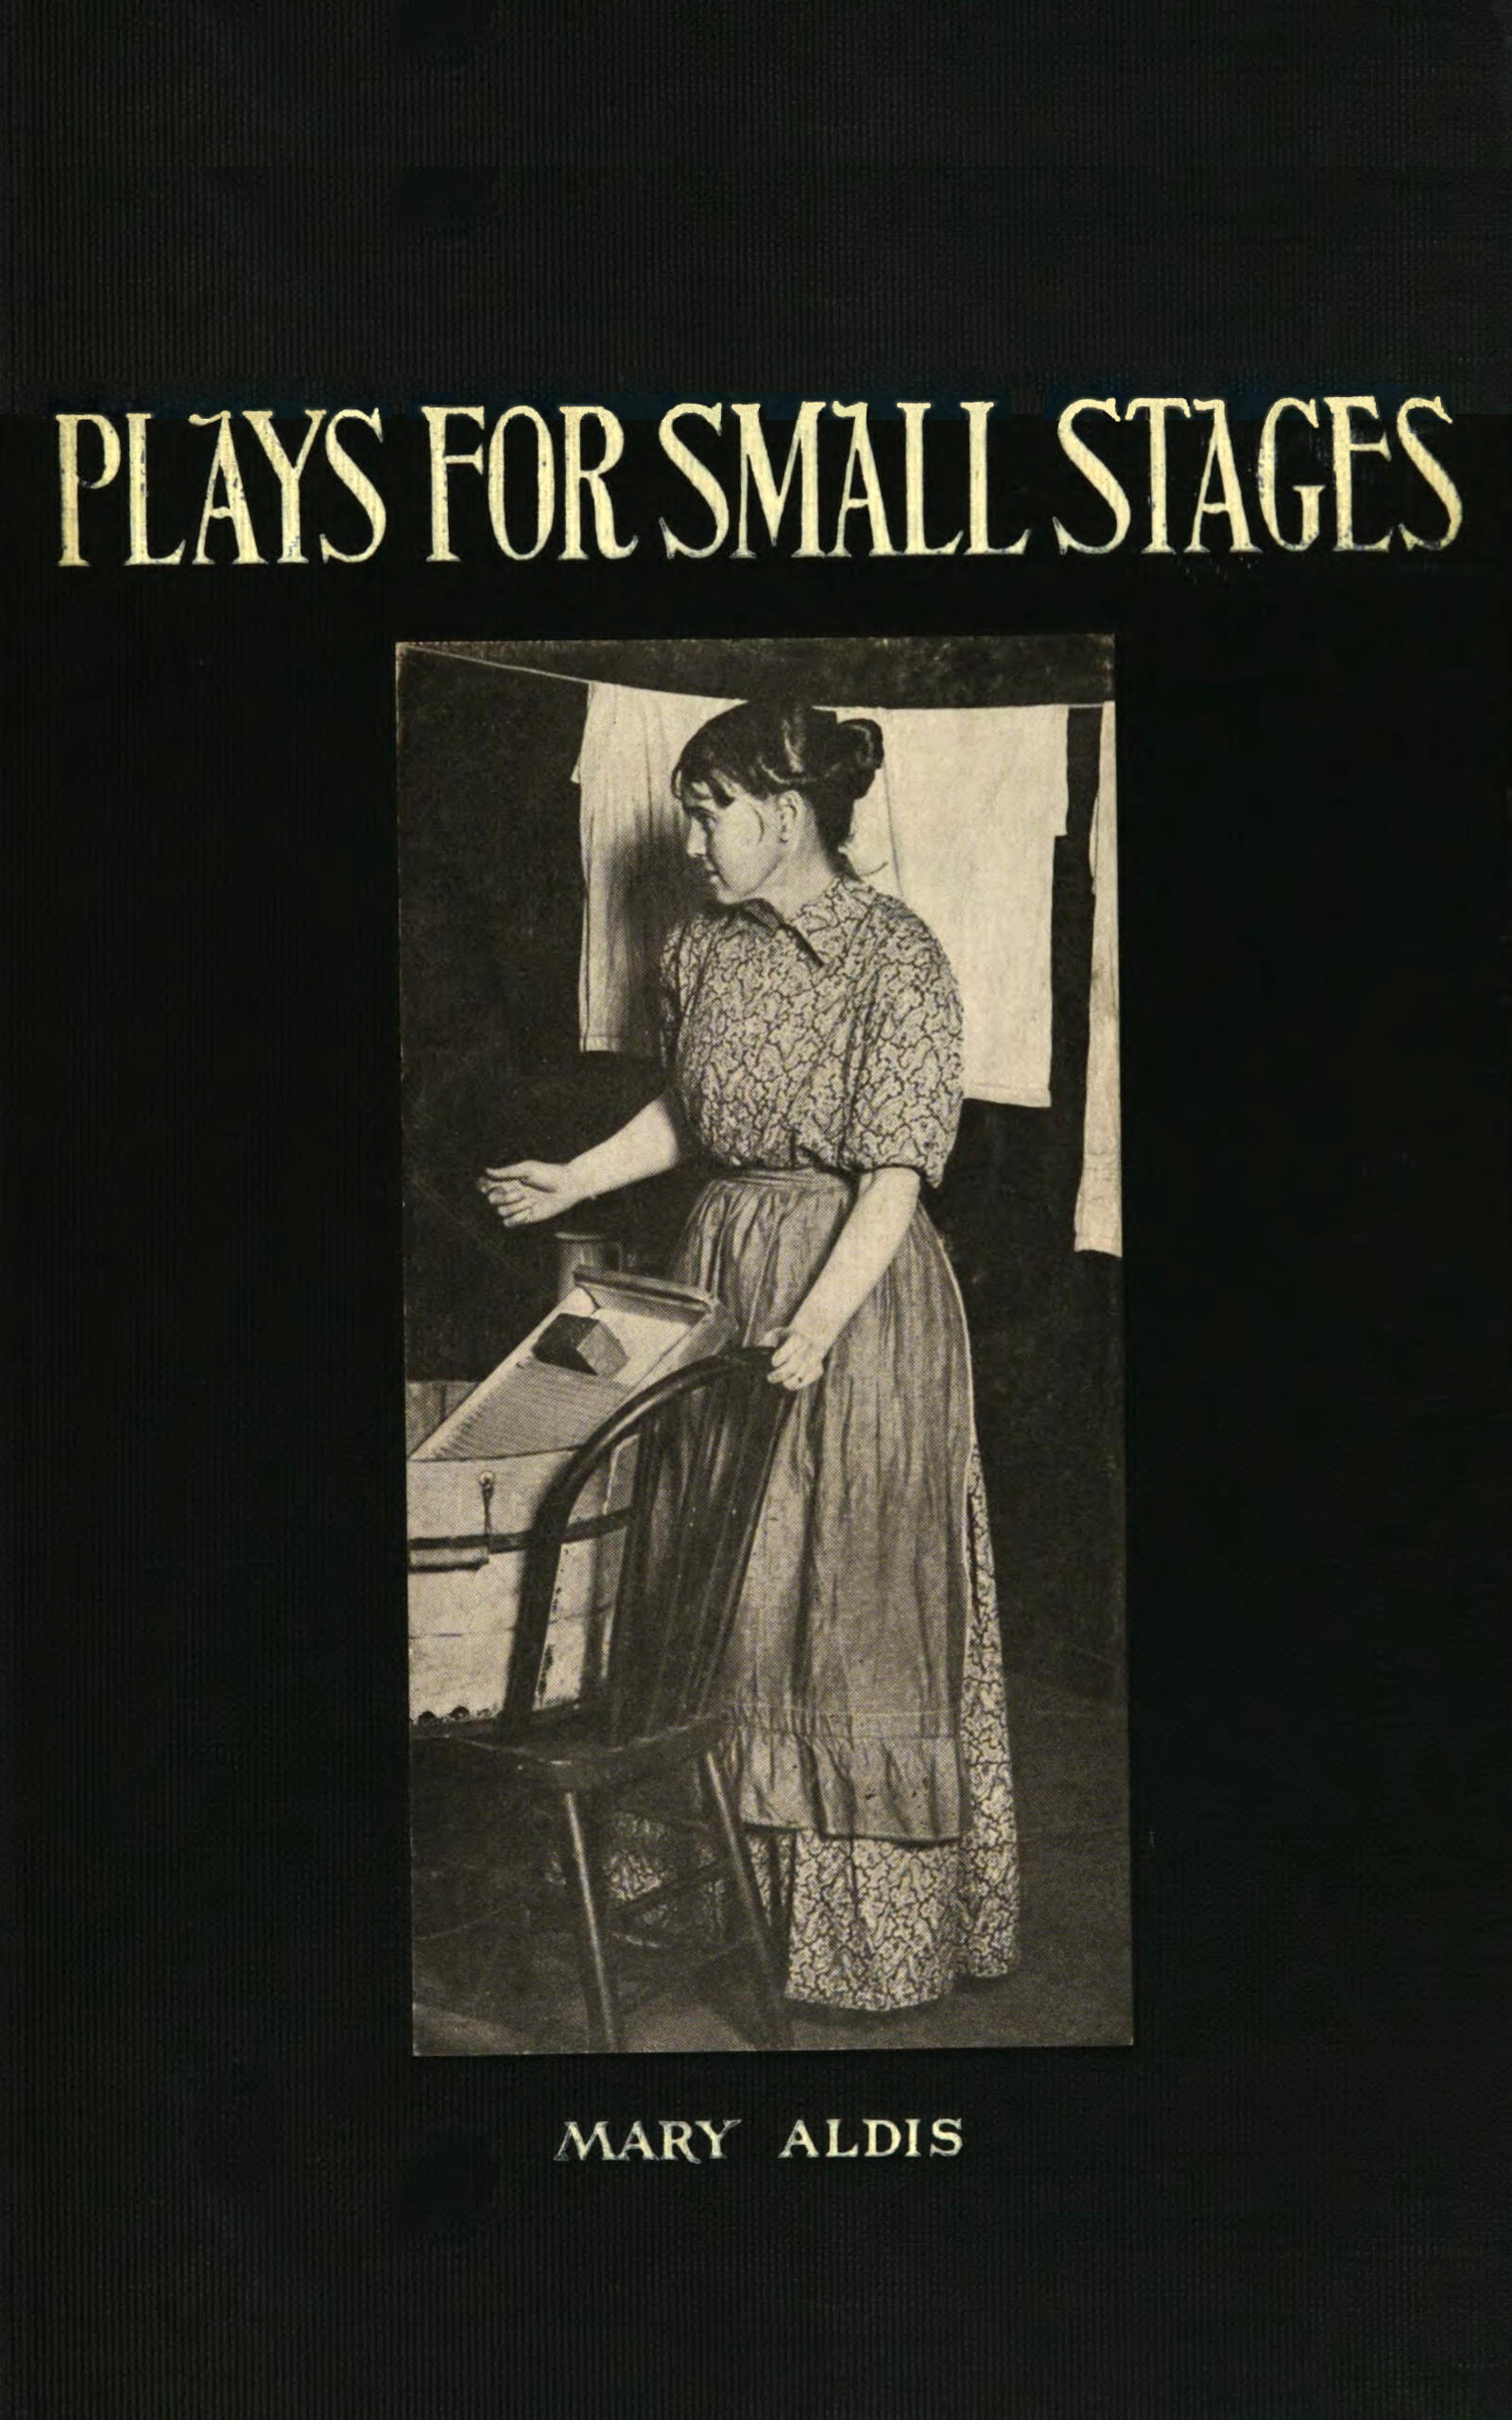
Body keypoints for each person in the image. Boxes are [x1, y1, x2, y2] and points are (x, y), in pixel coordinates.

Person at [481, 699, 1019, 2014]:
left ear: (782, 816)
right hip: (722, 1280)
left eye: (708, 815)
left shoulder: (897, 955)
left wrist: (818, 1328)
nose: (692, 842)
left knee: (844, 1589)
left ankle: (857, 1946)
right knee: (718, 1581)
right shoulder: (695, 946)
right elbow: (692, 1107)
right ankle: (707, 1902)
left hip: (859, 1299)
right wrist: (574, 1178)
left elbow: (895, 1173)